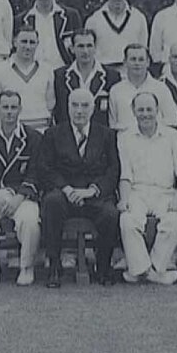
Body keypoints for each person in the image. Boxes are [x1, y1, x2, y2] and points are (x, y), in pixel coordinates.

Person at [40, 88, 121, 287]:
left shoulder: (107, 134)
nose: (79, 110)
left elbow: (113, 170)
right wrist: (66, 189)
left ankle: (102, 266)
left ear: (93, 109)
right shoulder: (53, 134)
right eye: (74, 105)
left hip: (94, 195)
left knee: (110, 213)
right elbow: (45, 169)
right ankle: (54, 266)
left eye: (84, 106)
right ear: (67, 108)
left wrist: (93, 190)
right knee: (51, 203)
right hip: (64, 194)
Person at [118, 93, 177, 285]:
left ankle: (154, 268)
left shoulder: (172, 135)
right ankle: (143, 269)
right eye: (140, 110)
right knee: (127, 219)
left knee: (174, 221)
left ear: (157, 111)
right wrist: (124, 199)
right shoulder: (125, 137)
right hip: (137, 192)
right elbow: (125, 175)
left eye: (149, 109)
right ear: (133, 112)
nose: (145, 114)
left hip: (165, 192)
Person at [0, 90, 42, 286]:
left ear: (20, 109)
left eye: (13, 107)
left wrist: (20, 197)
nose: (9, 112)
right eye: (5, 107)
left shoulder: (33, 137)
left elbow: (35, 173)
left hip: (21, 195)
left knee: (30, 220)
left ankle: (27, 267)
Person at [0, 28, 55, 132]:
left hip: (42, 129)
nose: (28, 46)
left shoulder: (47, 70)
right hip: (14, 131)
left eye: (32, 42)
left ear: (37, 44)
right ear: (15, 42)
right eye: (24, 42)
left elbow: (51, 105)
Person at [15, 0, 82, 70]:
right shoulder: (21, 19)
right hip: (33, 73)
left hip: (63, 71)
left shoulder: (70, 16)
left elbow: (80, 44)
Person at [53, 28, 121, 127]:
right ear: (72, 49)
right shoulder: (60, 76)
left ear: (95, 48)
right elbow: (58, 112)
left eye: (89, 46)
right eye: (80, 46)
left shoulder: (112, 76)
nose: (85, 51)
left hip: (101, 137)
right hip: (68, 136)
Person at [84, 0, 149, 70]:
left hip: (130, 71)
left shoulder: (138, 18)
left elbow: (143, 49)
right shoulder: (93, 20)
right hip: (103, 71)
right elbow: (89, 51)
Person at [108, 44, 177, 132]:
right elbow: (113, 124)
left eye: (141, 59)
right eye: (133, 59)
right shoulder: (116, 90)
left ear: (148, 62)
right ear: (125, 62)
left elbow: (172, 120)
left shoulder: (161, 88)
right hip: (125, 142)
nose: (137, 63)